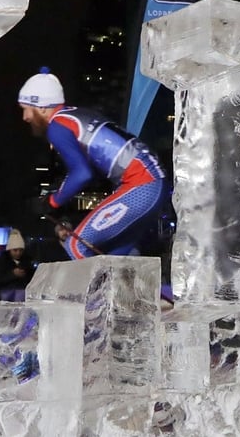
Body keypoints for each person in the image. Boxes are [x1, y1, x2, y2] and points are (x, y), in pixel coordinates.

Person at [17, 68, 174, 303]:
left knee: (76, 245)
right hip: (155, 184)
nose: (25, 117)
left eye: (26, 109)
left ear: (41, 107)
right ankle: (143, 304)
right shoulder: (74, 115)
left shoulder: (57, 126)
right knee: (121, 256)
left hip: (142, 185)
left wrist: (51, 202)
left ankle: (98, 310)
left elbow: (82, 173)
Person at [0, 228, 34, 299]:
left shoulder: (27, 262)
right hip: (5, 296)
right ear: (9, 250)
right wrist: (12, 274)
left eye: (20, 250)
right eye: (15, 250)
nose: (18, 253)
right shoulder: (1, 262)